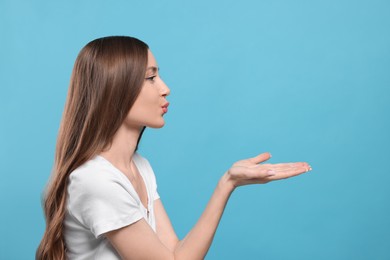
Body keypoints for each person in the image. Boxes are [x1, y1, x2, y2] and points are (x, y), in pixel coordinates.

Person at [36, 36, 312, 260]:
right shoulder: (97, 180)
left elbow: (178, 255)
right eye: (150, 78)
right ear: (116, 88)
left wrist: (227, 183)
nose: (165, 89)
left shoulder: (139, 167)